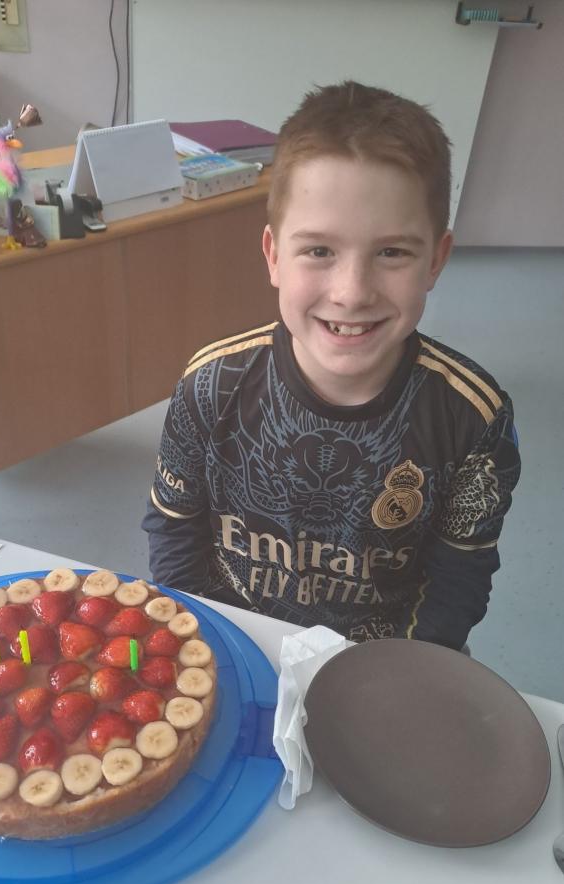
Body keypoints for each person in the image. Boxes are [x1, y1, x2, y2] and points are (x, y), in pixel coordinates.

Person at [142, 81, 520, 650]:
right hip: (236, 641)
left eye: (392, 252)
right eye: (319, 250)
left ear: (436, 261)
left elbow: (458, 581)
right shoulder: (209, 386)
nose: (351, 292)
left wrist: (389, 674)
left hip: (389, 659)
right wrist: (212, 645)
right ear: (274, 255)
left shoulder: (473, 418)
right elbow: (173, 530)